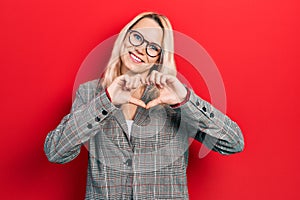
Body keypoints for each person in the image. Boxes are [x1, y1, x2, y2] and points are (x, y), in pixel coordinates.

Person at [44, 12, 244, 200]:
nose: (141, 49)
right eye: (137, 38)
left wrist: (185, 100)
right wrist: (107, 100)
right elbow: (56, 152)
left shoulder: (174, 97)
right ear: (124, 38)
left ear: (159, 57)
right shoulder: (90, 93)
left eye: (153, 47)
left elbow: (233, 143)